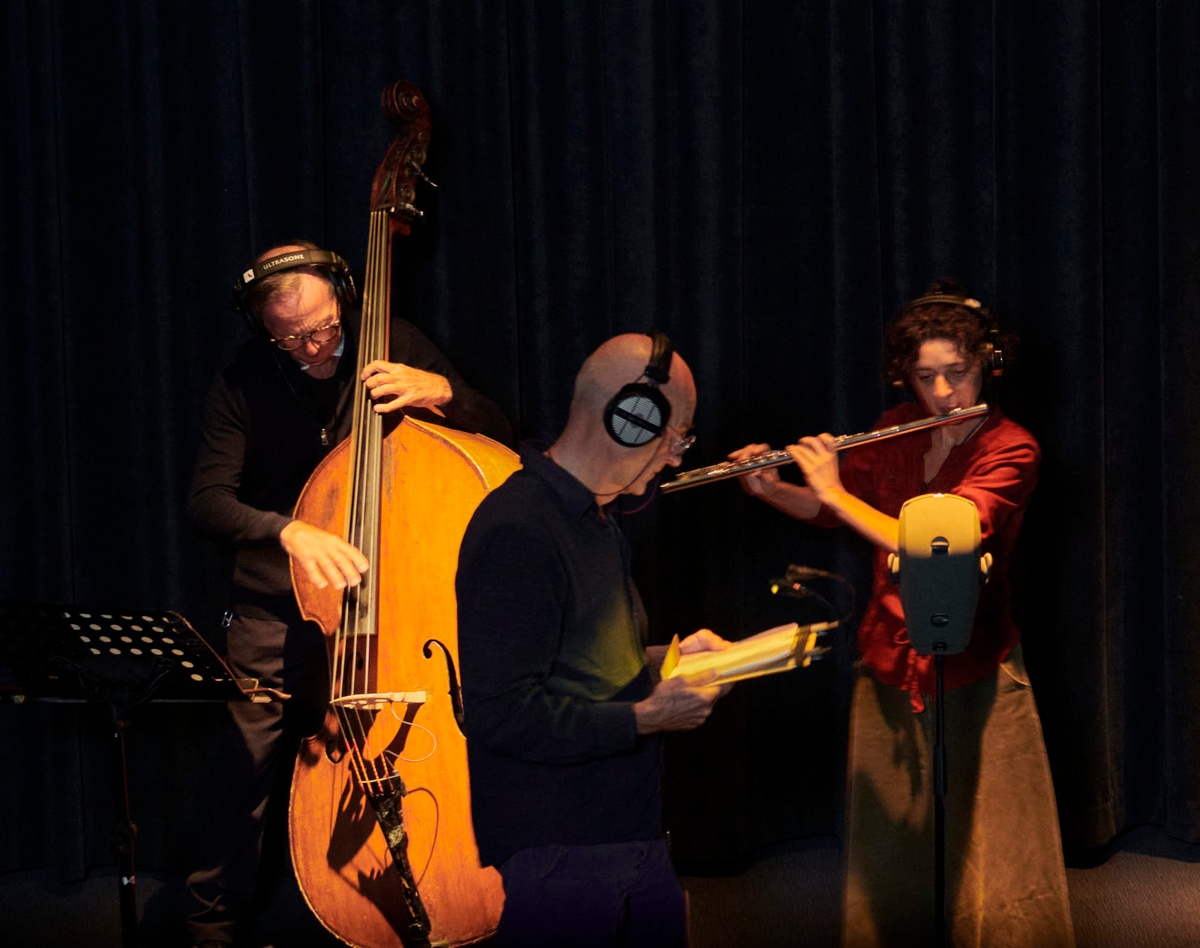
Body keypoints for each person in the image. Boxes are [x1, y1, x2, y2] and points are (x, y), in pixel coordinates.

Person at [184, 241, 512, 948]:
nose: (314, 347)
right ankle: (214, 919)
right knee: (244, 758)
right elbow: (207, 502)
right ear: (265, 329)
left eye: (325, 328)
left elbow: (502, 434)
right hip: (283, 596)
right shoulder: (244, 379)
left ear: (343, 299)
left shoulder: (392, 341)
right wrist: (288, 530)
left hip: (397, 597)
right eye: (292, 338)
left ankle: (456, 879)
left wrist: (442, 392)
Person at [731, 280, 1074, 947]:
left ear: (987, 365)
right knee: (886, 858)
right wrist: (773, 488)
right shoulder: (894, 428)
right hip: (889, 658)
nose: (943, 393)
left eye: (958, 373)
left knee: (999, 859)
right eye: (925, 377)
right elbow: (831, 510)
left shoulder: (1012, 448)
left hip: (977, 663)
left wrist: (831, 487)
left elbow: (937, 538)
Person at [455, 331, 732, 948]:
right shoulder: (519, 528)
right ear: (631, 420)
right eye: (676, 437)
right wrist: (645, 718)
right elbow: (501, 714)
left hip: (627, 834)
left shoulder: (596, 520)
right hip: (562, 849)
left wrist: (668, 661)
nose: (676, 458)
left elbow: (579, 663)